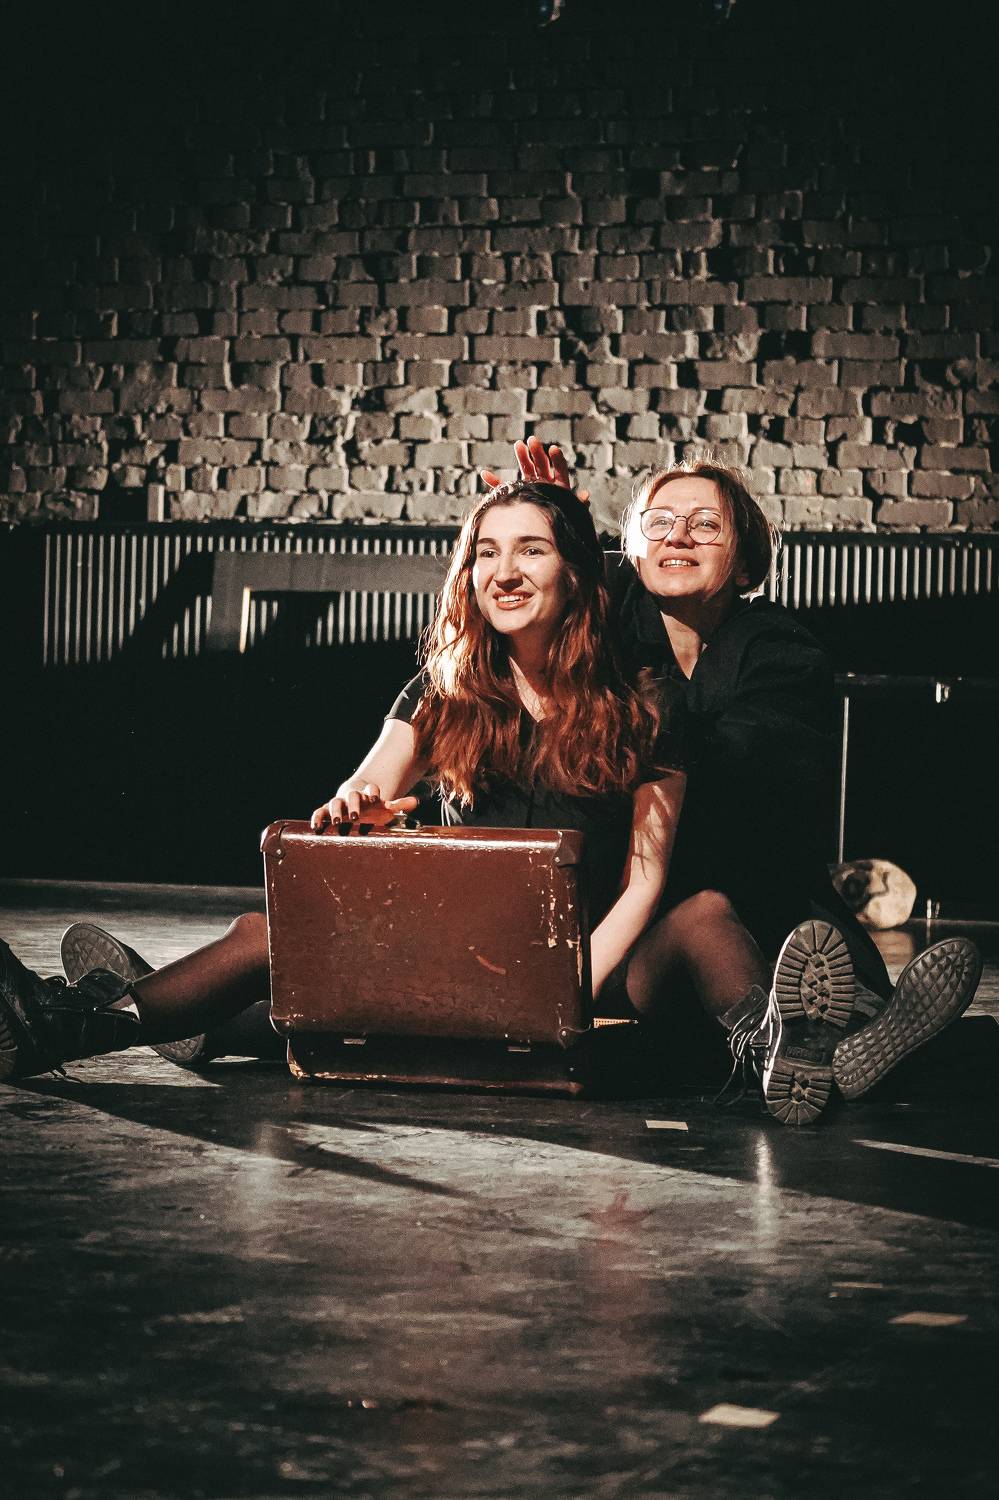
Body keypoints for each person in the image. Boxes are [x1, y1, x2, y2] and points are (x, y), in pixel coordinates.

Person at [0, 482, 688, 1086]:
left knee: (306, 1017)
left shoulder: (645, 702)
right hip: (448, 953)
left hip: (578, 972)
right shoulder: (445, 689)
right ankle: (74, 1023)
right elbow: (364, 788)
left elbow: (644, 882)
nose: (504, 572)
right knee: (261, 935)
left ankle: (147, 1007)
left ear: (576, 572)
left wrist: (562, 997)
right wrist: (355, 809)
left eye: (531, 550)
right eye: (487, 552)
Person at [482, 440, 982, 1123]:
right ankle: (840, 1040)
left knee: (744, 922)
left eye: (704, 524)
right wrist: (560, 525)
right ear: (635, 552)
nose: (678, 536)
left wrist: (648, 729)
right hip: (632, 909)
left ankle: (838, 1028)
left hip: (750, 890)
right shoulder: (611, 631)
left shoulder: (780, 651)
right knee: (691, 931)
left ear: (744, 561)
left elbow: (749, 765)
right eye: (659, 523)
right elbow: (557, 599)